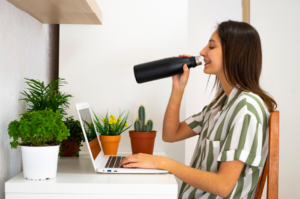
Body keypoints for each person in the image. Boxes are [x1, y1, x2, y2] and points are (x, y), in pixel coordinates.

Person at [119, 20, 277, 199]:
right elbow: (171, 134)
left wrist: (161, 162)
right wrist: (178, 89)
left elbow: (223, 185)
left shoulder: (246, 109)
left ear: (234, 53)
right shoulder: (221, 105)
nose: (202, 52)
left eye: (211, 46)